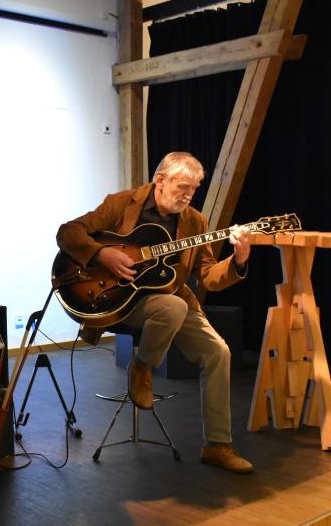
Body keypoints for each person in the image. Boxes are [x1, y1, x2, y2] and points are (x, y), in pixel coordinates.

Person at [56, 151, 254, 474]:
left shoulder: (195, 222)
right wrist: (102, 253)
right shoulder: (122, 203)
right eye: (183, 187)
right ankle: (143, 367)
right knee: (172, 307)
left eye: (194, 189)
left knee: (219, 352)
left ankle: (217, 445)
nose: (189, 195)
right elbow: (68, 232)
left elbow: (208, 277)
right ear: (160, 180)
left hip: (168, 298)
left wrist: (239, 261)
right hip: (117, 299)